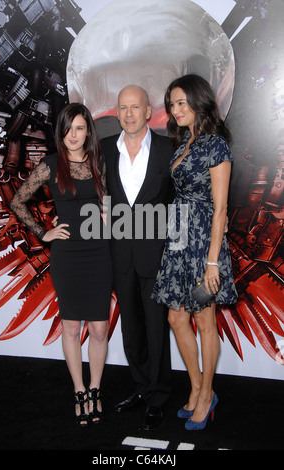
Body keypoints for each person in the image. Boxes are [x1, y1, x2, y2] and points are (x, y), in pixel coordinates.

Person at [10, 103, 112, 426]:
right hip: (67, 257)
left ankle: (96, 388)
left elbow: (106, 200)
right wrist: (44, 232)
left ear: (88, 132)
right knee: (71, 326)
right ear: (60, 132)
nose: (73, 135)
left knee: (98, 328)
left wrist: (108, 215)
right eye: (68, 129)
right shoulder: (51, 165)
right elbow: (17, 201)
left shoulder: (98, 162)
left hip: (98, 253)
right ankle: (79, 390)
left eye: (80, 128)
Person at [152, 74, 237, 431]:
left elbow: (219, 210)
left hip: (204, 240)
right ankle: (199, 386)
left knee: (204, 319)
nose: (175, 110)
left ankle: (205, 395)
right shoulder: (183, 142)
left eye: (182, 102)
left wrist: (213, 262)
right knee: (176, 318)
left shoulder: (216, 145)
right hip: (178, 234)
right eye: (172, 104)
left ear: (200, 103)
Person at [101, 85, 174, 431]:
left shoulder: (167, 149)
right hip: (121, 254)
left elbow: (179, 202)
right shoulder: (103, 150)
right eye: (123, 108)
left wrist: (178, 248)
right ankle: (141, 388)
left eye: (136, 107)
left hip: (157, 253)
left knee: (156, 328)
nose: (129, 114)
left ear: (148, 111)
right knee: (131, 328)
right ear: (117, 112)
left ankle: (158, 396)